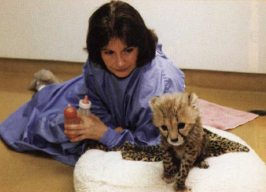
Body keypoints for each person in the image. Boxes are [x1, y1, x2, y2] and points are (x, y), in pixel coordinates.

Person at [0, 0, 184, 166]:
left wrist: (106, 134)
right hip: (100, 107)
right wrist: (108, 127)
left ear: (141, 46)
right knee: (52, 125)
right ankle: (47, 87)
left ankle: (48, 85)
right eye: (109, 53)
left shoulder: (164, 84)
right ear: (99, 52)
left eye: (127, 50)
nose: (119, 63)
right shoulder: (97, 64)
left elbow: (157, 146)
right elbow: (93, 99)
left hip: (143, 127)